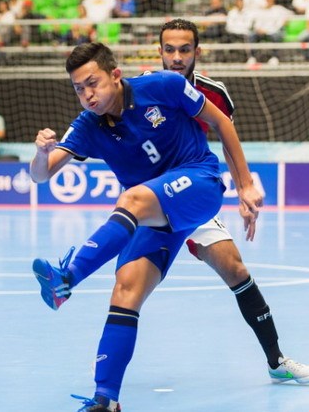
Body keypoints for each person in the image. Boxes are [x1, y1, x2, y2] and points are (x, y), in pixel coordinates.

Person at [30, 42, 262, 411]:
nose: (87, 94)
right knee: (125, 292)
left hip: (198, 182)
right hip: (154, 213)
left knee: (133, 199)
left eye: (93, 83)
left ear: (115, 75)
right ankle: (106, 399)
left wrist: (245, 183)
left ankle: (67, 279)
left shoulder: (164, 86)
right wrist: (41, 154)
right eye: (78, 88)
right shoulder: (89, 125)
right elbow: (40, 176)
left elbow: (220, 121)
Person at [158, 17, 309, 386]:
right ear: (159, 51)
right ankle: (106, 391)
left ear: (197, 51)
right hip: (152, 199)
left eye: (185, 49)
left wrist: (244, 189)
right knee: (129, 288)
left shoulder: (215, 93)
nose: (177, 57)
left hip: (193, 200)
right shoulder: (141, 88)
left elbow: (228, 142)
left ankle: (276, 361)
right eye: (169, 49)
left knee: (238, 271)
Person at [247, 0, 293, 65]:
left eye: (270, 0)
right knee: (251, 36)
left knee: (277, 36)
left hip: (273, 31)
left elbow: (291, 13)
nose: (269, 1)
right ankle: (252, 57)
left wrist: (285, 20)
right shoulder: (260, 11)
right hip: (261, 32)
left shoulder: (278, 9)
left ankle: (274, 57)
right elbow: (256, 22)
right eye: (267, 0)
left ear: (273, 1)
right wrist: (258, 29)